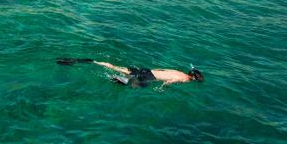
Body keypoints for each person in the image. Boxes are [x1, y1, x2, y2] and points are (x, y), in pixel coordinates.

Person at [56, 58, 204, 87]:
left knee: (115, 66)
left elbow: (161, 70)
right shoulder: (185, 79)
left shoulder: (178, 71)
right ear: (193, 78)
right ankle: (119, 80)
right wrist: (162, 87)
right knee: (136, 85)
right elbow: (169, 81)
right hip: (150, 76)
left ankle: (91, 61)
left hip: (148, 70)